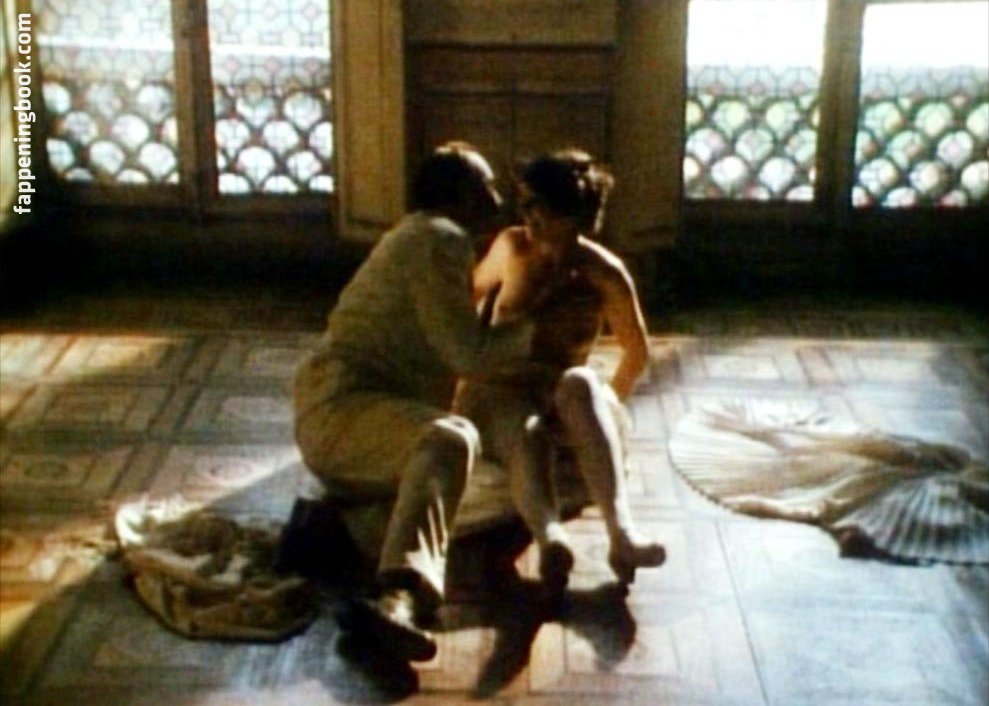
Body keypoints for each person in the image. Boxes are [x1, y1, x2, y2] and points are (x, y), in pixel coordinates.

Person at [292, 142, 534, 663]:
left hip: (357, 420)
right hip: (343, 411)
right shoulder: (437, 237)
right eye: (486, 187)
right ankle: (398, 596)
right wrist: (540, 330)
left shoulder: (430, 239)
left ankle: (334, 531)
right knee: (452, 440)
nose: (497, 200)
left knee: (494, 488)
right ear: (458, 195)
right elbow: (468, 354)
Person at [453, 149, 666, 594]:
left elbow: (636, 352)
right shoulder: (512, 248)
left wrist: (602, 411)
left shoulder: (603, 273)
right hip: (498, 390)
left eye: (540, 206)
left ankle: (622, 535)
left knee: (582, 382)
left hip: (554, 392)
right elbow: (466, 297)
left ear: (573, 214)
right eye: (525, 203)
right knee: (526, 431)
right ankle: (550, 538)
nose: (528, 215)